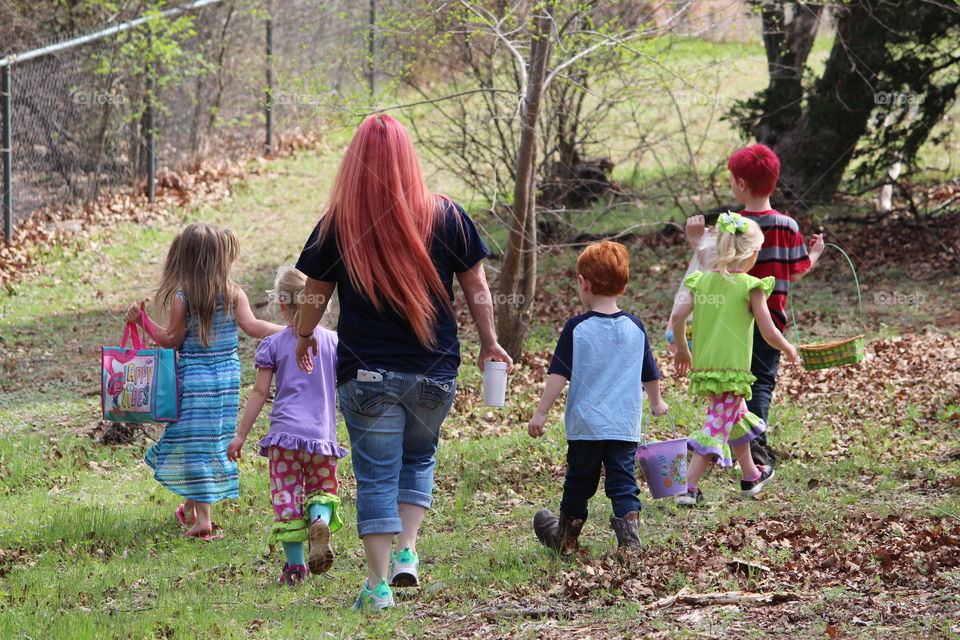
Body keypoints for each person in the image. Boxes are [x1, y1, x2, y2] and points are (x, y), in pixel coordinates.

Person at [292, 114, 512, 611]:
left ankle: (376, 587)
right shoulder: (448, 216)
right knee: (418, 457)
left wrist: (303, 336)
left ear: (354, 164)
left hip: (366, 375)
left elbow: (314, 293)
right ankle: (407, 553)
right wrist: (490, 342)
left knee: (375, 476)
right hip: (434, 373)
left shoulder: (338, 224)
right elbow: (476, 287)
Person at [125, 223, 284, 539]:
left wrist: (142, 321)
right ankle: (189, 509)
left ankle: (203, 521)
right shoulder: (234, 293)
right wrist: (288, 331)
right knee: (207, 442)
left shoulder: (183, 299)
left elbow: (170, 340)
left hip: (195, 380)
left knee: (193, 445)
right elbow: (253, 326)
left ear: (185, 259)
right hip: (226, 381)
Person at [528, 241, 667, 553]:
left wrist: (541, 413)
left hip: (585, 426)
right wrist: (657, 403)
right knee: (622, 482)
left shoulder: (576, 328)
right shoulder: (635, 327)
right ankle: (630, 543)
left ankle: (565, 539)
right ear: (623, 285)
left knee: (579, 481)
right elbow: (649, 372)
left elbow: (558, 374)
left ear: (583, 282)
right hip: (623, 425)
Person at [227, 266, 347, 586]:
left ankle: (295, 569)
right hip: (322, 437)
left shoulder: (274, 344)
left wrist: (241, 435)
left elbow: (260, 392)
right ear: (321, 304)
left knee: (288, 501)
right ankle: (320, 518)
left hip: (284, 439)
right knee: (321, 489)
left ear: (281, 305)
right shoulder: (335, 343)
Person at [671, 213, 799, 506]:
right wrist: (788, 348)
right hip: (733, 370)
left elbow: (678, 316)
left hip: (707, 368)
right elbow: (769, 331)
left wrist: (682, 349)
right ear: (752, 254)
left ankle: (751, 475)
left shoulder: (701, 280)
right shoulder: (750, 286)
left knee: (735, 417)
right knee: (716, 426)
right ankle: (687, 486)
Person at [726, 144, 824, 468]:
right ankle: (754, 444)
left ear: (741, 184)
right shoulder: (787, 226)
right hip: (772, 320)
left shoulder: (732, 225)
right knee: (762, 382)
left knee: (736, 379)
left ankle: (732, 440)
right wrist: (816, 254)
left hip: (733, 321)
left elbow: (718, 265)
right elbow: (796, 272)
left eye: (731, 180)